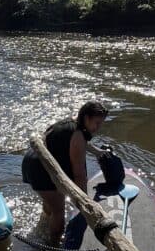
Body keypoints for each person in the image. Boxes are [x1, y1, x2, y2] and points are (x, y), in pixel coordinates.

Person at [21, 101, 109, 239]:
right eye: (97, 123)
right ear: (87, 118)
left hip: (32, 160)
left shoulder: (72, 122)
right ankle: (54, 244)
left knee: (51, 203)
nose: (98, 128)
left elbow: (80, 141)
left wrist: (97, 152)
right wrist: (86, 204)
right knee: (58, 211)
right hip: (40, 169)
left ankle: (43, 228)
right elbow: (79, 175)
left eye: (101, 123)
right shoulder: (78, 135)